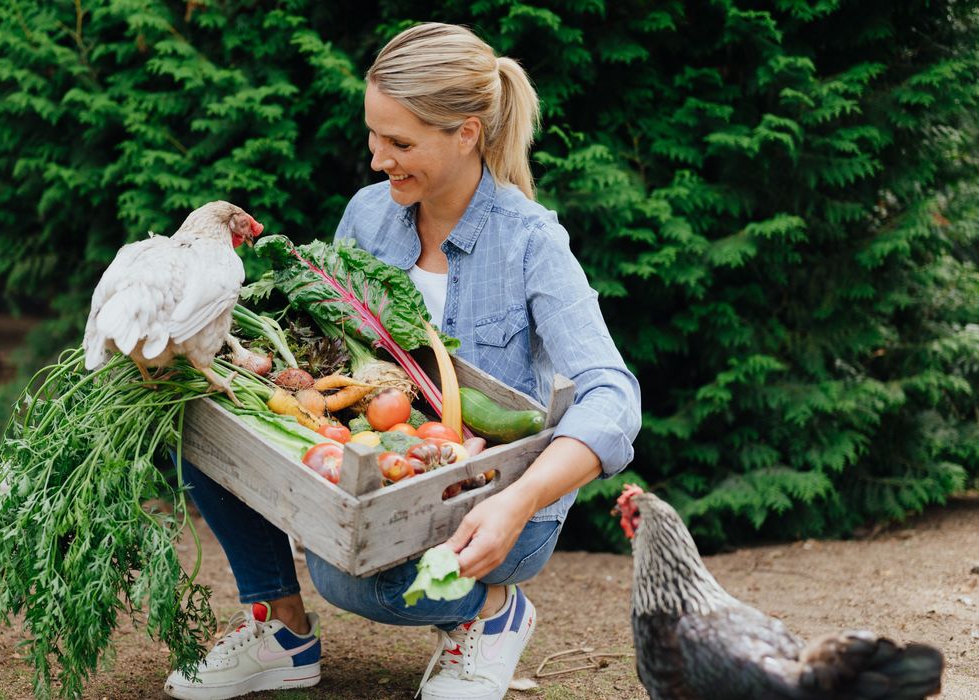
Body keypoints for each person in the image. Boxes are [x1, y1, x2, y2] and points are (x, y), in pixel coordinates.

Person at [164, 22, 641, 700]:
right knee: (203, 416)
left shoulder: (530, 242)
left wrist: (515, 503)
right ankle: (280, 631)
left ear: (466, 133)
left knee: (358, 580)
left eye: (399, 143)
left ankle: (491, 614)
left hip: (495, 508)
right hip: (388, 467)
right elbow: (325, 346)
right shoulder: (367, 216)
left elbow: (613, 396)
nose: (376, 158)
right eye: (373, 135)